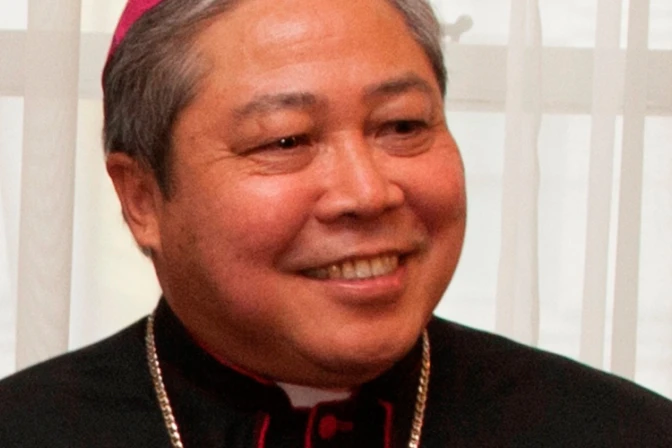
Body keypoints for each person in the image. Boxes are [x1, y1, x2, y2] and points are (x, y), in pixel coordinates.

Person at [0, 0, 670, 446]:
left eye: (402, 126)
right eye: (286, 140)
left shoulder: (625, 433)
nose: (368, 193)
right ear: (142, 198)